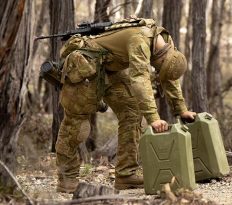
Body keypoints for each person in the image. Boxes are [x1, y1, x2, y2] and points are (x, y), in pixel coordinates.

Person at [56, 17, 196, 193]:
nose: (157, 70)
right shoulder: (140, 41)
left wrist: (181, 109)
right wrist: (153, 118)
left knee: (132, 112)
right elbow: (140, 79)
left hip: (110, 67)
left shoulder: (166, 44)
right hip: (86, 64)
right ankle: (66, 177)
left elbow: (169, 77)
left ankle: (125, 174)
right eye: (158, 68)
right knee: (75, 124)